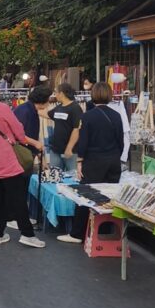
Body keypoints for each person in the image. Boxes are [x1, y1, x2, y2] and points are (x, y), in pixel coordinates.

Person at [0, 80, 45, 248]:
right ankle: (27, 234)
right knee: (17, 199)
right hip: (7, 160)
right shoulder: (2, 108)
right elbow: (19, 132)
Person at [58, 82, 124, 244]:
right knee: (108, 197)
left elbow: (84, 141)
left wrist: (80, 161)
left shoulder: (87, 116)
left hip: (93, 161)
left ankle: (77, 233)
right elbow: (121, 141)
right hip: (113, 161)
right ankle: (107, 231)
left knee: (86, 196)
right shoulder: (117, 116)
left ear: (93, 95)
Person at [48, 82, 81, 173]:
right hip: (56, 150)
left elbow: (76, 129)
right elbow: (48, 114)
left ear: (61, 94)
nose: (55, 95)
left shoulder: (75, 108)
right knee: (54, 176)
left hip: (70, 152)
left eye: (56, 92)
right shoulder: (59, 107)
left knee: (72, 177)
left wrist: (69, 147)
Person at [14, 83, 51, 155]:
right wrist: (35, 143)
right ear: (42, 100)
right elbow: (16, 133)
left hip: (27, 152)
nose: (49, 103)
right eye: (48, 100)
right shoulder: (24, 111)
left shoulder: (31, 109)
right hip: (21, 153)